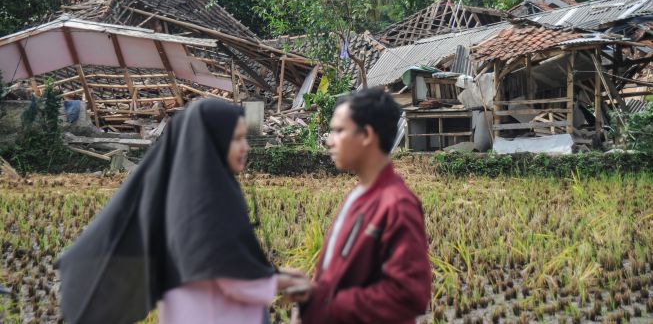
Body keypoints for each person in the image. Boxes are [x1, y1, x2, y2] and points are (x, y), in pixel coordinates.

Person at [56, 99, 307, 324]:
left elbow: (228, 261)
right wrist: (279, 281)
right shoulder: (206, 203)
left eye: (245, 138)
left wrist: (276, 275)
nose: (246, 147)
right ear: (213, 141)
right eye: (236, 139)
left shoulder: (194, 194)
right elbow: (224, 272)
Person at [291, 88, 432, 324]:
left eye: (339, 131)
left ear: (366, 135)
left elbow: (409, 295)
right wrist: (310, 298)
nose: (328, 141)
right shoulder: (357, 196)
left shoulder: (397, 205)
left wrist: (326, 305)